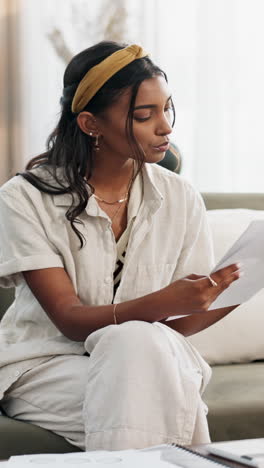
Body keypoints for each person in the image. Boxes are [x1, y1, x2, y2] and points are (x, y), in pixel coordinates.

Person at [0, 41, 241, 451]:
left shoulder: (180, 197)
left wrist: (218, 298)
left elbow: (172, 328)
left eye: (167, 109)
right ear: (91, 123)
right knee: (151, 374)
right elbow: (70, 321)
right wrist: (166, 300)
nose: (165, 126)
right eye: (144, 116)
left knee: (134, 349)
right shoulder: (23, 199)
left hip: (150, 356)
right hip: (47, 366)